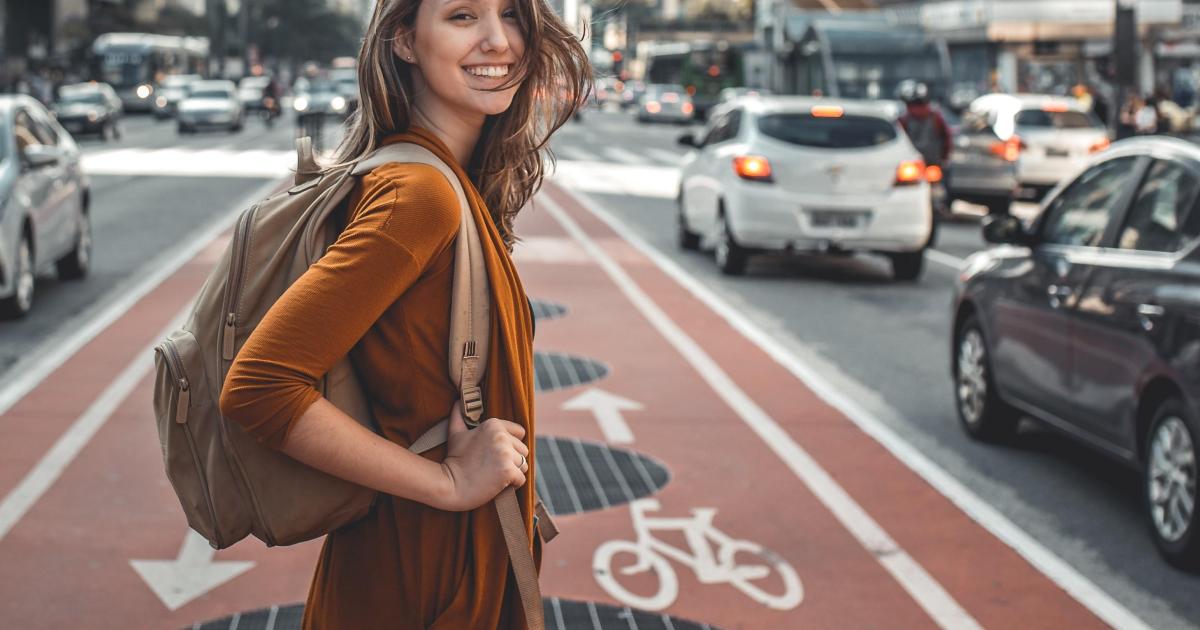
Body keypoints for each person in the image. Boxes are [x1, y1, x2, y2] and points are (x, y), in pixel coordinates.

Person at [218, 0, 590, 626]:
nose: (499, 41)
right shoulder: (419, 196)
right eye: (463, 16)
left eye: (511, 14)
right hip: (422, 578)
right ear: (405, 40)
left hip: (427, 562)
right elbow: (260, 386)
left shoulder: (441, 178)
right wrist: (449, 483)